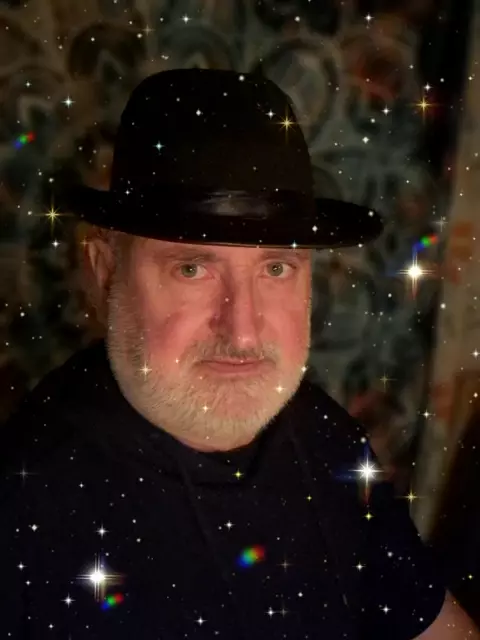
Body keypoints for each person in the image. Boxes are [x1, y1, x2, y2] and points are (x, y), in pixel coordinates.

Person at [0, 68, 477, 640]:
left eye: (276, 268)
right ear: (104, 273)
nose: (243, 332)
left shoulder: (327, 439)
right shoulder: (24, 505)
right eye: (192, 268)